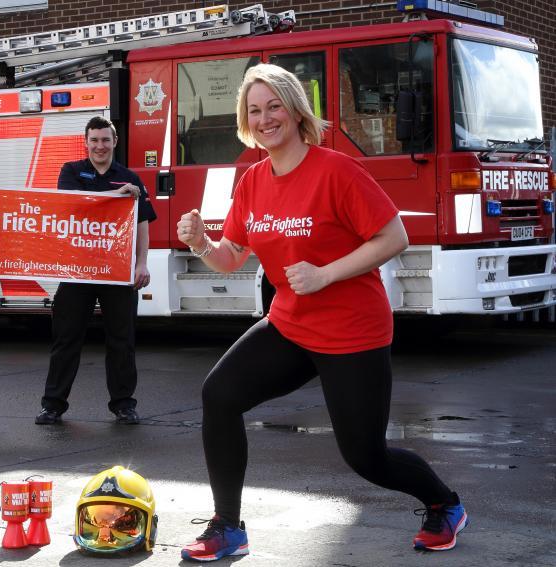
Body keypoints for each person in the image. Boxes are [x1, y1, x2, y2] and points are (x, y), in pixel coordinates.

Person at [177, 64, 467, 561]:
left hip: (354, 332)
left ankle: (445, 504)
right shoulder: (252, 181)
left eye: (274, 106)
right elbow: (231, 255)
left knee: (366, 458)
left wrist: (326, 273)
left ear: (294, 109)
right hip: (291, 325)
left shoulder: (336, 169)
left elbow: (394, 237)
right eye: (254, 110)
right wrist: (202, 242)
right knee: (219, 396)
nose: (265, 118)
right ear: (246, 121)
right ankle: (228, 526)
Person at [35, 116, 156, 426]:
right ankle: (53, 405)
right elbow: (74, 205)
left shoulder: (130, 178)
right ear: (86, 142)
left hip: (118, 272)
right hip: (79, 272)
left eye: (105, 140)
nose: (100, 146)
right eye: (94, 140)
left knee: (122, 341)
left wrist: (141, 264)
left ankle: (124, 405)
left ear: (114, 142)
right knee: (66, 339)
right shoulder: (71, 172)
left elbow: (141, 224)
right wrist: (117, 196)